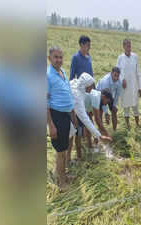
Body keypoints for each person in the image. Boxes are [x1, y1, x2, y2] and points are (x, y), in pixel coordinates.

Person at [47, 46, 77, 191]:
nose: (59, 60)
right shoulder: (47, 76)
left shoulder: (62, 72)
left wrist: (72, 113)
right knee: (60, 153)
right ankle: (61, 183)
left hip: (66, 116)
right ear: (49, 58)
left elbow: (67, 93)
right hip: (56, 117)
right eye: (55, 57)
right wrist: (51, 125)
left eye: (60, 57)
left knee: (64, 150)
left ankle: (63, 175)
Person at [68, 73, 112, 162]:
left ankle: (85, 149)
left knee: (75, 134)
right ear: (86, 85)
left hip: (74, 112)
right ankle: (75, 158)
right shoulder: (93, 97)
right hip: (72, 113)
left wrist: (96, 135)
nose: (92, 89)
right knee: (75, 136)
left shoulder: (80, 87)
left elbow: (89, 117)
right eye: (91, 86)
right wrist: (101, 136)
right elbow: (95, 120)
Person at [117, 38, 141, 129]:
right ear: (123, 46)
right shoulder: (120, 58)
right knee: (126, 106)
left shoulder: (135, 56)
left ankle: (137, 123)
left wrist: (140, 87)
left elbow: (138, 72)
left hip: (134, 86)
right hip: (125, 86)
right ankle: (127, 124)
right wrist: (122, 79)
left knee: (135, 105)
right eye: (127, 46)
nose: (129, 47)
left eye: (130, 45)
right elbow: (117, 71)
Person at [96, 67, 122, 131]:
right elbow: (104, 100)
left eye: (118, 76)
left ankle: (115, 130)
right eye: (115, 75)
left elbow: (117, 95)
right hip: (100, 94)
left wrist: (114, 105)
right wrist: (106, 113)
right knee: (100, 112)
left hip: (109, 94)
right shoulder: (106, 81)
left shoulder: (119, 82)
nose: (116, 78)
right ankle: (101, 131)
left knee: (114, 111)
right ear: (111, 73)